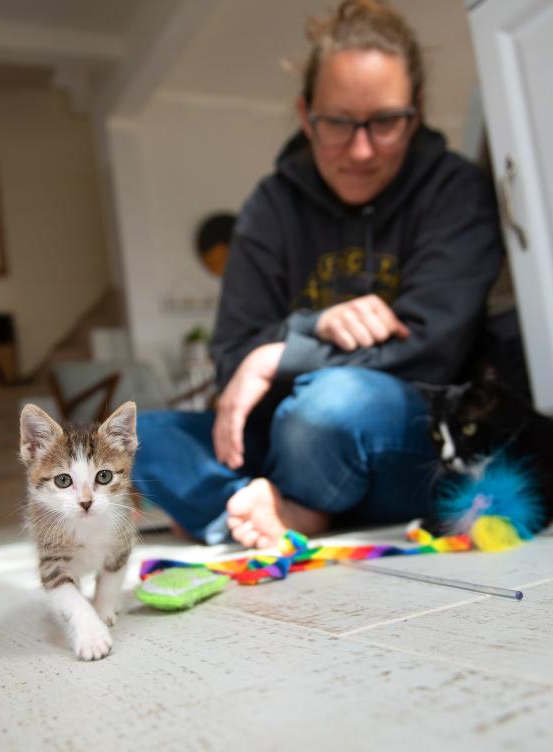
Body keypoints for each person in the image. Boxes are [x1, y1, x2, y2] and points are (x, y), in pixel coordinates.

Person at [134, 0, 503, 548]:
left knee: (328, 407)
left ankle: (242, 508)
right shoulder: (270, 205)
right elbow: (233, 359)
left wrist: (281, 355)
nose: (359, 150)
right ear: (306, 115)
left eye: (384, 123)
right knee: (134, 438)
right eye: (336, 123)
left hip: (397, 437)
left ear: (416, 112)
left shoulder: (456, 190)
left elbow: (432, 348)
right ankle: (282, 507)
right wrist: (308, 329)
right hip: (283, 436)